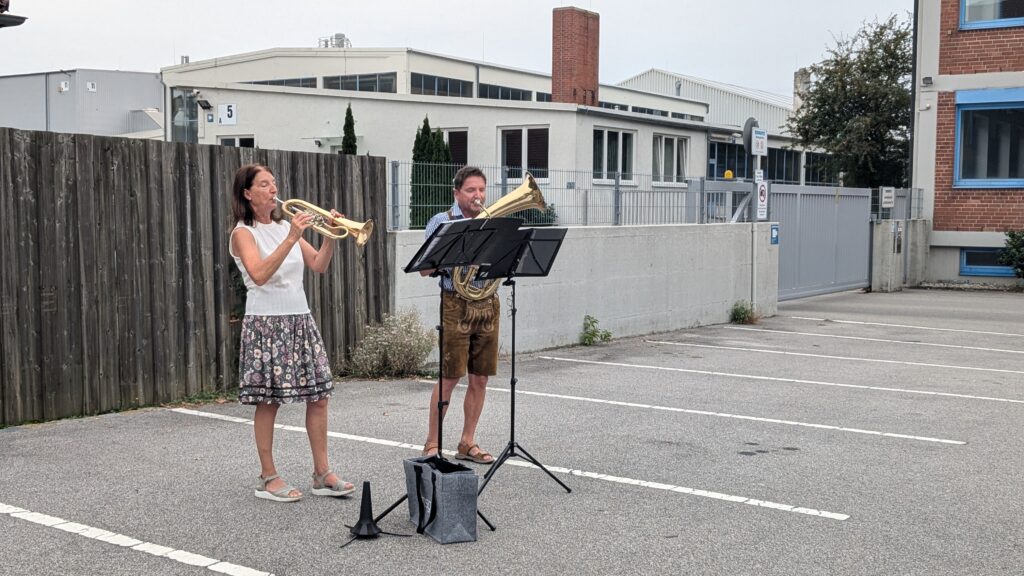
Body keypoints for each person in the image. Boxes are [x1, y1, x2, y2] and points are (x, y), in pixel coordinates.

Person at [229, 163, 356, 502]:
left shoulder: (286, 225)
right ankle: (268, 477)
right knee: (268, 401)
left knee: (319, 396)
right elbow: (258, 274)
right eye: (265, 184)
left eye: (274, 183)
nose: (274, 190)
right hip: (267, 322)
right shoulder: (244, 233)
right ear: (248, 193)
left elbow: (319, 265)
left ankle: (322, 473)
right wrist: (291, 238)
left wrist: (330, 233)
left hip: (299, 318)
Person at [419, 165, 498, 465]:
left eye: (481, 189)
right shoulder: (442, 221)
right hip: (456, 301)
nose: (478, 196)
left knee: (480, 378)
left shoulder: (491, 220)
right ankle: (432, 442)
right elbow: (426, 268)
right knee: (450, 375)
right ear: (456, 193)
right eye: (471, 190)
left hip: (487, 301)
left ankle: (468, 442)